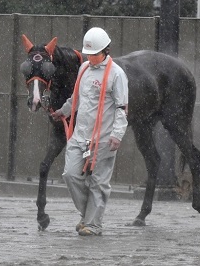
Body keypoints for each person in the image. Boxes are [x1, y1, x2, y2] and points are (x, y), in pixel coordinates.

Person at [51, 27, 129, 236]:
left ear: (105, 51)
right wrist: (64, 111)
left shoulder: (117, 75)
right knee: (70, 174)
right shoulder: (83, 68)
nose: (91, 58)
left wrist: (117, 135)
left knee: (98, 182)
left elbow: (122, 108)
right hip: (80, 136)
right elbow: (76, 97)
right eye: (89, 54)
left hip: (103, 139)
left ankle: (93, 225)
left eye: (95, 54)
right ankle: (88, 216)